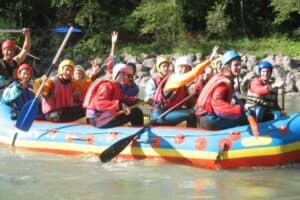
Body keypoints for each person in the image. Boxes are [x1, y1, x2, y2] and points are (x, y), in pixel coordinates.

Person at [195, 50, 247, 130]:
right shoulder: (223, 84)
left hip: (205, 117)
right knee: (243, 118)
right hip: (210, 120)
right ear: (227, 67)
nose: (239, 67)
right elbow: (217, 103)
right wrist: (238, 109)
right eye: (236, 65)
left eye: (240, 64)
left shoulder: (221, 77)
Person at [83, 63, 144, 128]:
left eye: (128, 75)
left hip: (104, 115)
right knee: (136, 113)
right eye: (123, 74)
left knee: (136, 110)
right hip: (96, 119)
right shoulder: (106, 85)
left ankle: (137, 130)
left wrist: (136, 100)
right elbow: (100, 103)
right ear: (116, 73)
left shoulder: (116, 85)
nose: (126, 77)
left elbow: (123, 98)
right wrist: (120, 106)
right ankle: (138, 132)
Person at [144, 56, 197, 127]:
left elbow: (187, 102)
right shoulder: (156, 80)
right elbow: (149, 95)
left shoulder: (183, 83)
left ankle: (192, 133)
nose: (166, 68)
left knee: (193, 112)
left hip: (171, 111)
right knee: (192, 113)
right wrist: (149, 98)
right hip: (159, 114)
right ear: (159, 68)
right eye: (164, 66)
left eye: (168, 66)